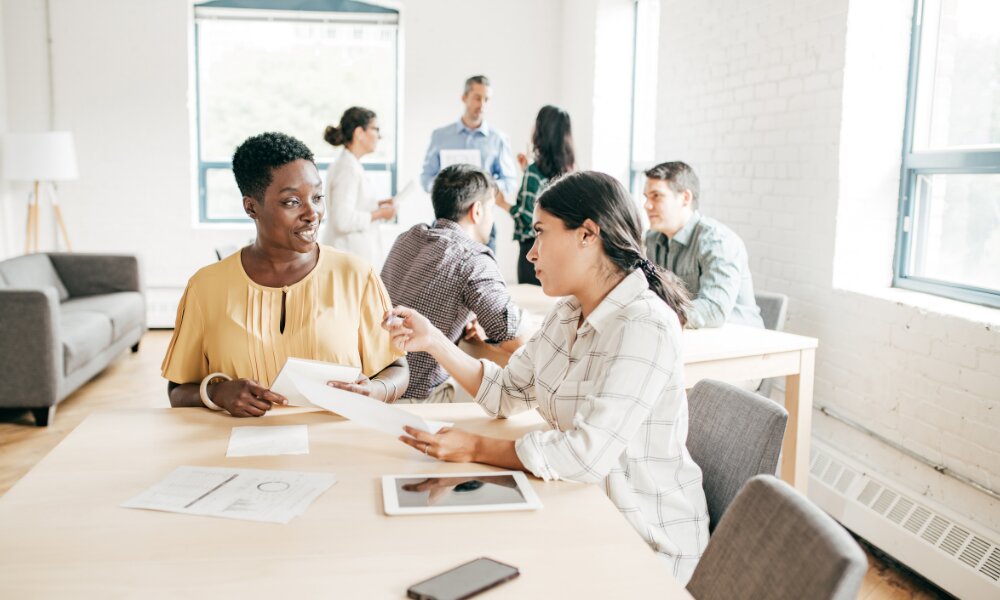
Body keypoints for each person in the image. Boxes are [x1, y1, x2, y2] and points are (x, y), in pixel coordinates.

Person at [385, 171, 709, 583]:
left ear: (588, 235)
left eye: (540, 233)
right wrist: (433, 341)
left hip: (643, 540)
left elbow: (581, 457)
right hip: (582, 509)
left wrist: (475, 447)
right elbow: (505, 393)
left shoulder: (645, 325)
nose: (531, 253)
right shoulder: (568, 313)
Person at [162, 132, 409, 416]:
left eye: (317, 197)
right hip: (235, 452)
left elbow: (396, 367)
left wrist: (376, 391)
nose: (312, 213)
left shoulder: (357, 275)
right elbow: (178, 390)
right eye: (292, 202)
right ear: (251, 207)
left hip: (337, 448)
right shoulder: (205, 287)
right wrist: (217, 392)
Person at [381, 164, 524, 402]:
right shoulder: (472, 258)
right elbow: (514, 338)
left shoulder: (406, 238)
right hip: (417, 398)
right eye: (490, 209)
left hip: (378, 384)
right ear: (476, 211)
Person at [642, 161, 764, 329]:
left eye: (656, 196)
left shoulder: (718, 241)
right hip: (690, 336)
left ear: (685, 198)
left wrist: (651, 314)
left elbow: (714, 311)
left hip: (742, 342)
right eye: (646, 197)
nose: (647, 205)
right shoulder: (652, 239)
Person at [420, 75, 519, 252]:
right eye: (477, 97)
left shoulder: (498, 140)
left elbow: (509, 181)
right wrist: (445, 186)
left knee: (484, 273)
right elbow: (426, 177)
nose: (482, 104)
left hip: (483, 223)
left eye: (486, 99)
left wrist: (486, 187)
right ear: (464, 97)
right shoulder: (440, 136)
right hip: (446, 223)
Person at [496, 105, 575, 285]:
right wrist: (526, 171)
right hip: (556, 247)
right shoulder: (568, 170)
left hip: (532, 247)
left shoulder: (535, 171)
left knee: (529, 302)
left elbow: (527, 217)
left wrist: (503, 203)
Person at [320, 106, 396, 265]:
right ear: (359, 133)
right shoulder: (347, 168)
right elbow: (343, 220)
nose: (379, 136)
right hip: (346, 259)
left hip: (351, 259)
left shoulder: (350, 164)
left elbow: (352, 207)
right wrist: (380, 213)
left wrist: (378, 205)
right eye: (375, 129)